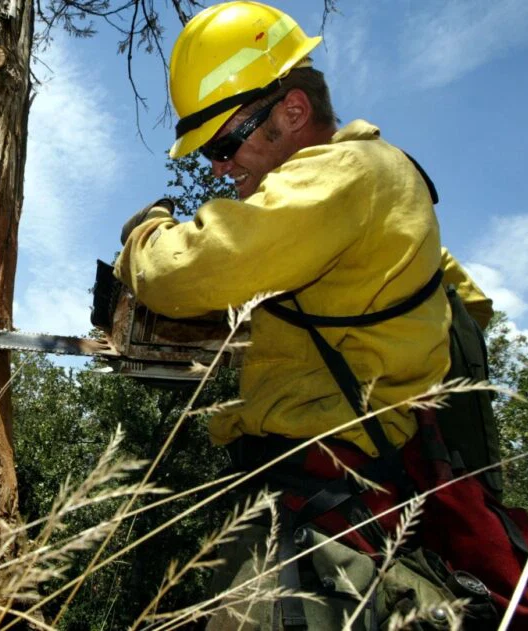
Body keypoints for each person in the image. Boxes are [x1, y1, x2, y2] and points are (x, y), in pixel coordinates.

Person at [113, 2, 501, 628]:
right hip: (356, 497)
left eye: (223, 142)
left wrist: (146, 235)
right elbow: (462, 309)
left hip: (325, 511)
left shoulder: (349, 171)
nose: (216, 165)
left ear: (292, 111)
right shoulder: (369, 198)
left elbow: (182, 272)